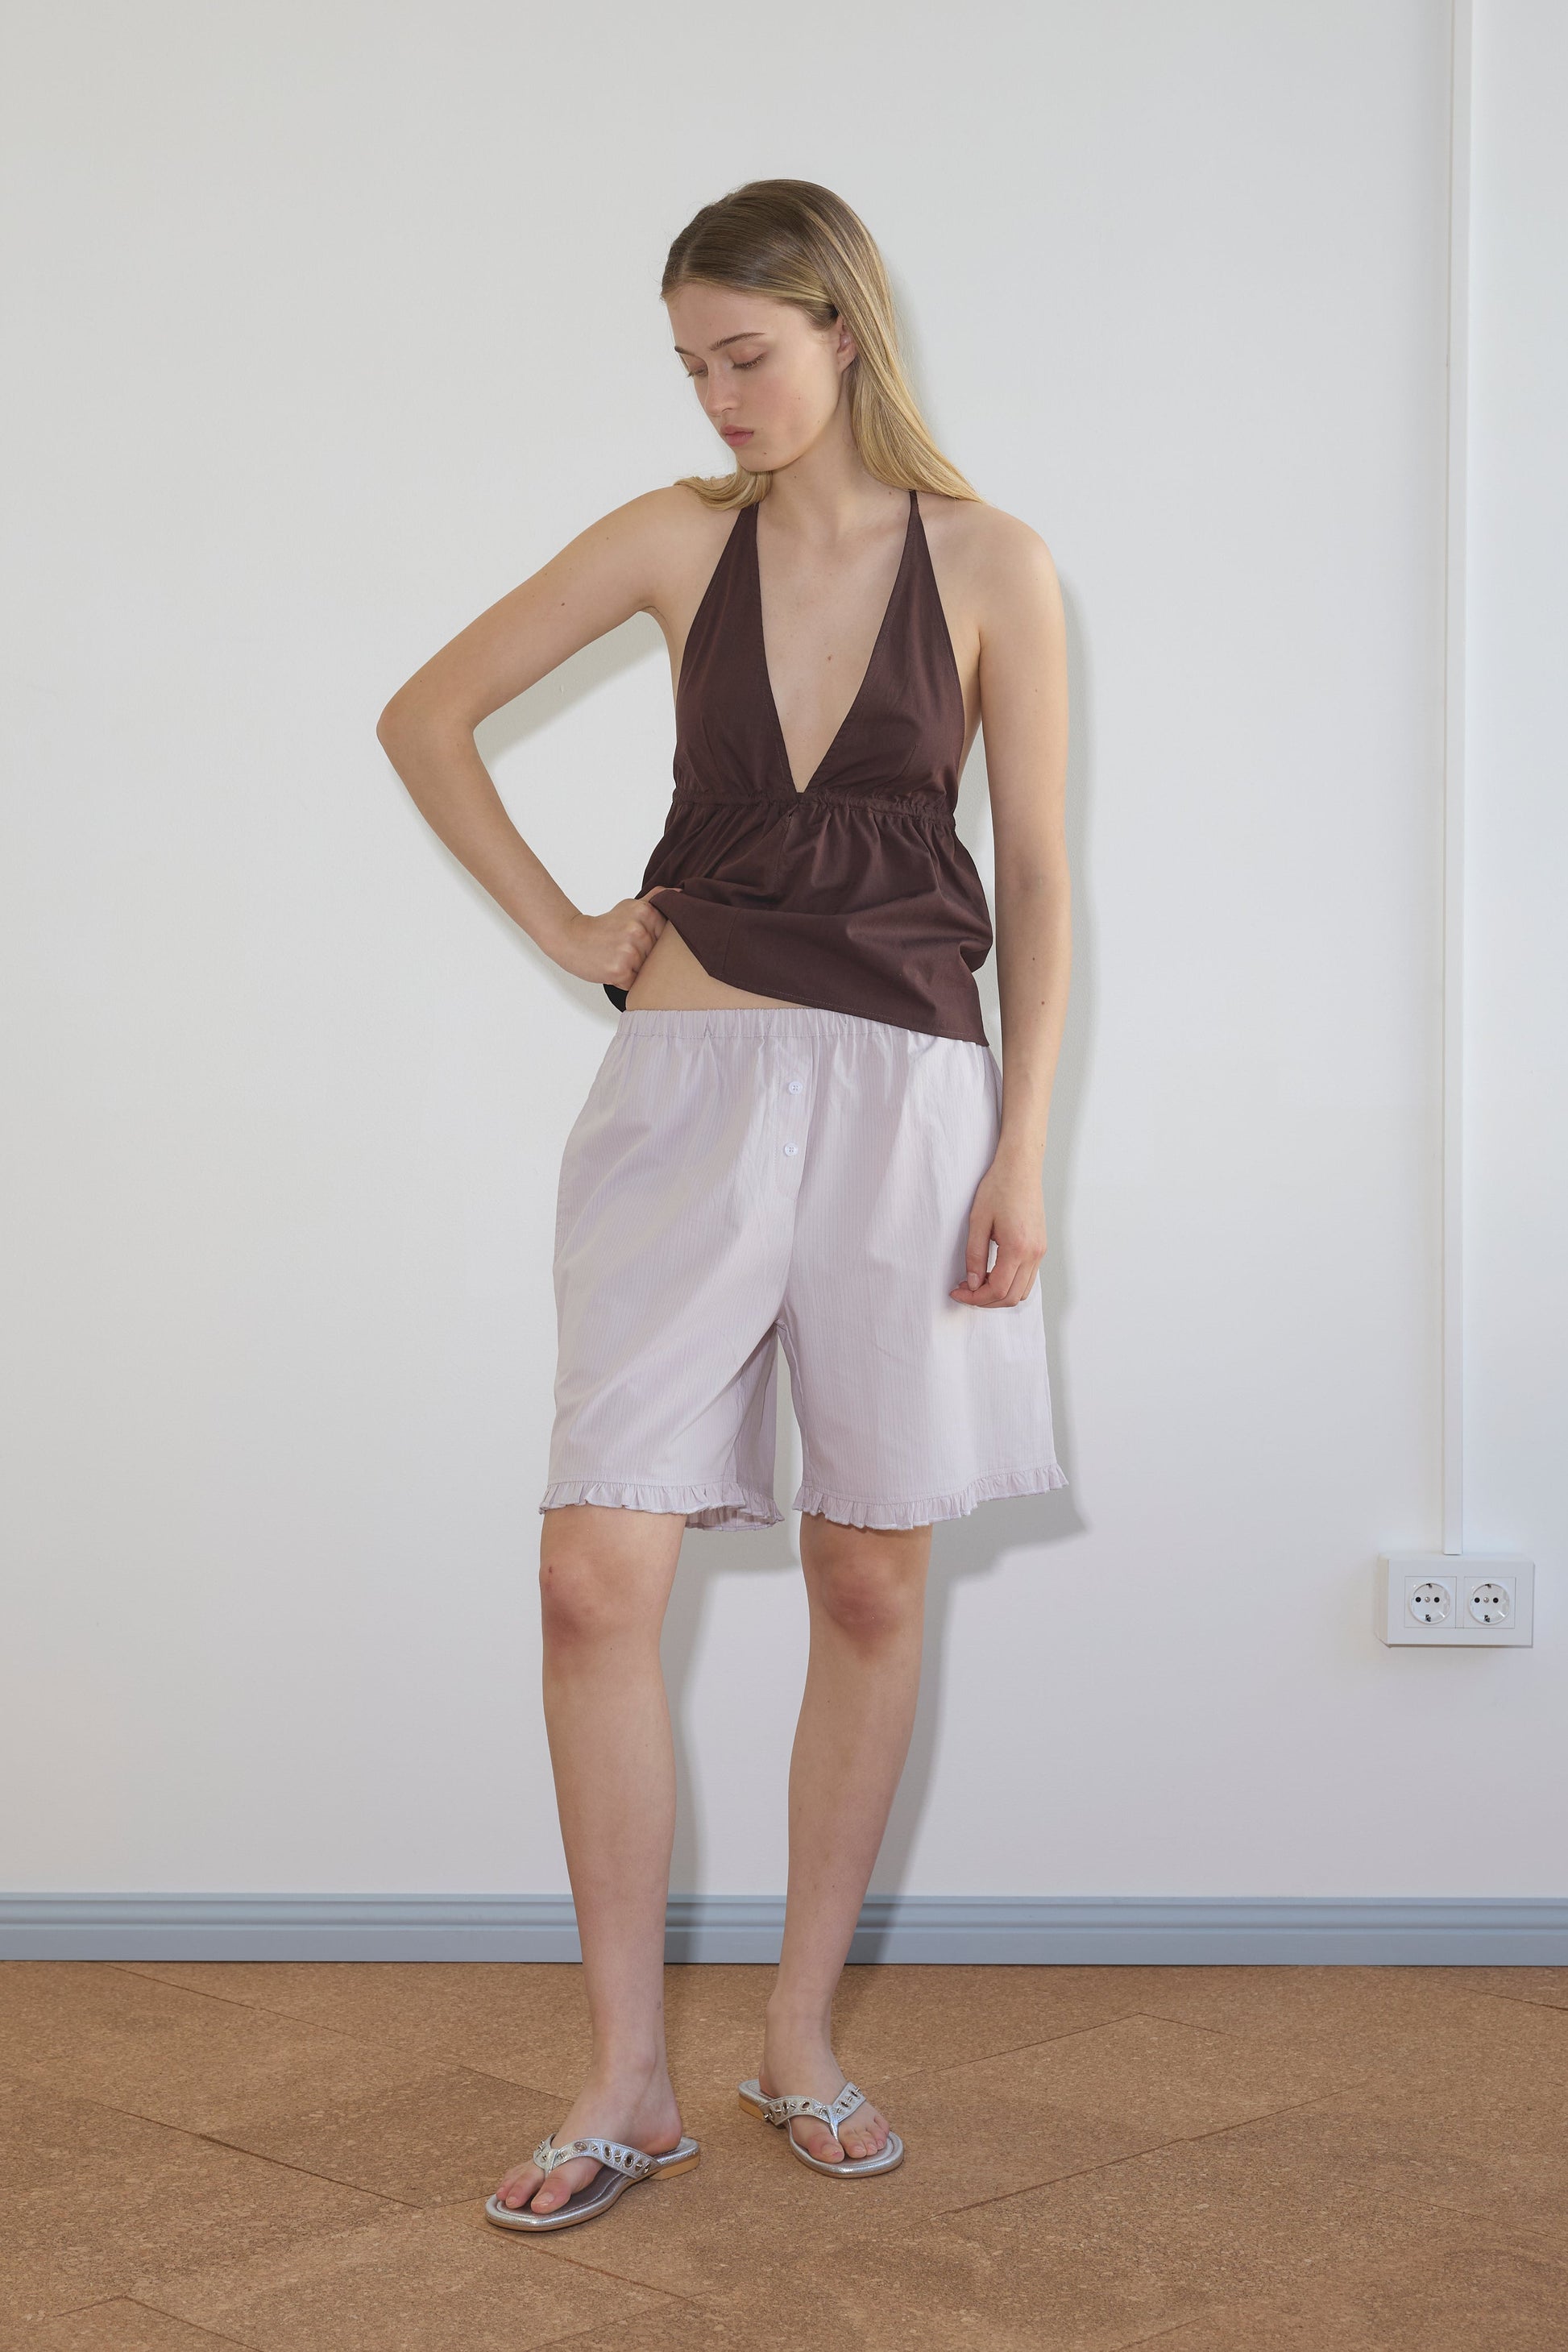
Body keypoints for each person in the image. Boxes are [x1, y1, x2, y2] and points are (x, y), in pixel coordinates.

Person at [376, 177, 1071, 2234]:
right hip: (684, 1094)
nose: (718, 396)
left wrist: (1023, 1144)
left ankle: (798, 2038)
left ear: (843, 327)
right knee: (594, 1578)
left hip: (911, 1103)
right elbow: (423, 714)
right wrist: (569, 924)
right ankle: (623, 2077)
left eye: (744, 354)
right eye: (690, 364)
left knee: (869, 1582)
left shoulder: (995, 562)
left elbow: (1038, 874)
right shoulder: (677, 540)